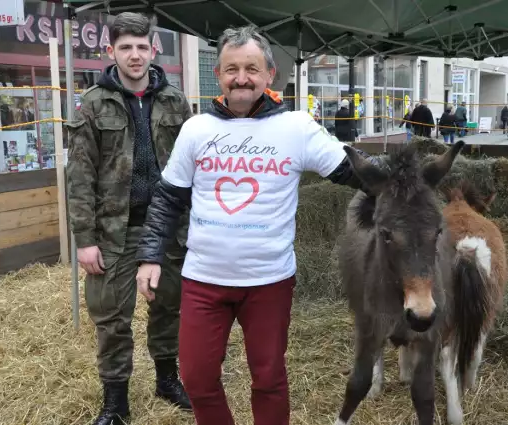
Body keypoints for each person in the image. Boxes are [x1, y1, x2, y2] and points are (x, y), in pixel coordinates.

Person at [134, 25, 379, 425]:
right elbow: (168, 197)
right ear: (219, 75)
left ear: (269, 74)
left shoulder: (296, 129)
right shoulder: (197, 129)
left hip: (268, 281)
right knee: (197, 378)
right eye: (232, 69)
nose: (241, 78)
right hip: (203, 280)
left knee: (268, 377)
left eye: (251, 68)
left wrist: (409, 181)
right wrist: (150, 256)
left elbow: (355, 171)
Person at [66, 12, 193, 425]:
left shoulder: (176, 100)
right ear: (111, 51)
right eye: (125, 47)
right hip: (111, 231)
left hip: (168, 226)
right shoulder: (93, 104)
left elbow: (193, 169)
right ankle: (115, 400)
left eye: (142, 47)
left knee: (168, 306)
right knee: (111, 316)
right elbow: (80, 176)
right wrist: (84, 239)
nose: (135, 55)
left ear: (153, 50)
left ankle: (166, 378)